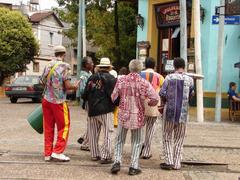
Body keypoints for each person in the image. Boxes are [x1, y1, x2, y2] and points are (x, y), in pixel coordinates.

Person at [111, 59, 159, 176]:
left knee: (119, 140)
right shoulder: (144, 83)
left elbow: (113, 97)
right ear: (140, 69)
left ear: (129, 68)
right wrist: (147, 102)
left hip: (123, 114)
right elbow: (155, 98)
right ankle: (133, 166)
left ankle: (117, 162)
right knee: (137, 141)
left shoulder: (121, 80)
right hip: (138, 116)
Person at [41, 45, 79, 162]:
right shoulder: (65, 66)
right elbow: (68, 86)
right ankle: (57, 151)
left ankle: (47, 153)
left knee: (48, 127)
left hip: (46, 100)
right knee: (64, 126)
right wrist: (75, 86)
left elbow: (42, 81)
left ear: (55, 53)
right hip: (59, 101)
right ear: (64, 54)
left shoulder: (48, 65)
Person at [159, 58, 194, 170]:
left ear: (174, 66)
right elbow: (191, 94)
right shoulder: (190, 79)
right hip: (183, 113)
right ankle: (177, 163)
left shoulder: (169, 77)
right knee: (180, 138)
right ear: (184, 66)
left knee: (167, 136)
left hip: (169, 111)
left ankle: (169, 161)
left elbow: (162, 92)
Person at [82, 57, 116, 164]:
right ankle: (105, 156)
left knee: (93, 132)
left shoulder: (91, 77)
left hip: (92, 109)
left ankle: (94, 154)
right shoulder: (111, 79)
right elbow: (114, 95)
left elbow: (85, 94)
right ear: (109, 68)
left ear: (100, 67)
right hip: (105, 109)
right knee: (108, 132)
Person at [140, 57, 164, 159]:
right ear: (154, 66)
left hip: (140, 104)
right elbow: (163, 92)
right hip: (153, 105)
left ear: (145, 64)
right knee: (150, 128)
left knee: (139, 128)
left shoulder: (139, 74)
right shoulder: (159, 77)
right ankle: (146, 152)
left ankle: (137, 148)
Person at [76, 56, 94, 151]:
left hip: (91, 101)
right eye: (91, 62)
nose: (93, 64)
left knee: (91, 121)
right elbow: (83, 90)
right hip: (88, 101)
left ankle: (84, 137)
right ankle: (85, 143)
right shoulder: (83, 75)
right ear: (86, 65)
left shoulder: (89, 73)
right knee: (91, 122)